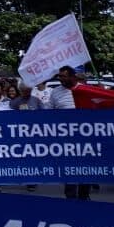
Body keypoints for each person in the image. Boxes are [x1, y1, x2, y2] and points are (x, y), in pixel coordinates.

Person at [44, 66, 91, 201]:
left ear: (73, 76)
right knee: (70, 169)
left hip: (84, 139)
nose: (61, 79)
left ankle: (84, 196)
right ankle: (70, 198)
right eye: (59, 76)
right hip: (66, 139)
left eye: (64, 76)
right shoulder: (55, 92)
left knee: (85, 169)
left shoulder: (84, 89)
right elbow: (49, 111)